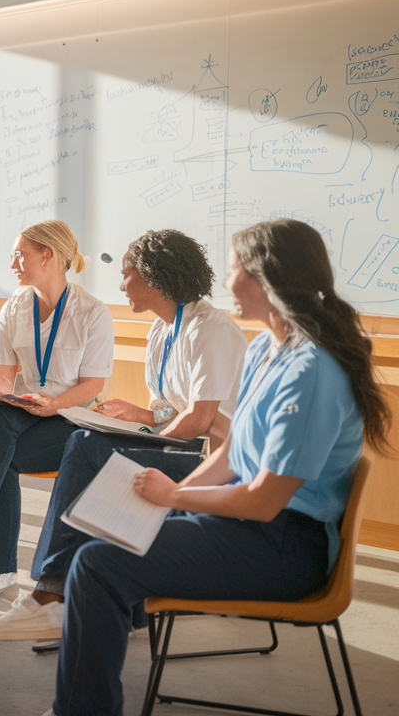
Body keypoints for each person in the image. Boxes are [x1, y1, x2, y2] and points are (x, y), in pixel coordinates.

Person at [46, 219, 392, 716]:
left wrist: (174, 499)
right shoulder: (266, 350)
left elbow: (264, 499)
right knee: (104, 539)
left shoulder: (312, 369)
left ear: (267, 278)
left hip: (286, 547)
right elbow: (230, 454)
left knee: (97, 566)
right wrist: (173, 498)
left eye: (235, 270)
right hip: (248, 527)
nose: (227, 283)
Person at [0, 229, 248, 641]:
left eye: (127, 275)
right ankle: (80, 600)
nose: (120, 285)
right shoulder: (161, 331)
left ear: (154, 277)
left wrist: (144, 436)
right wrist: (141, 415)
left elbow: (201, 418)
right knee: (89, 442)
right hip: (185, 444)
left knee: (88, 447)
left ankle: (51, 594)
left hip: (214, 462)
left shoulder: (208, 328)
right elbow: (173, 409)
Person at [0, 219, 113, 601]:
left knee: (1, 457)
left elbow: (94, 386)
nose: (13, 264)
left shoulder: (93, 312)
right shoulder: (13, 308)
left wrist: (55, 405)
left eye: (19, 255)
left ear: (48, 255)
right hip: (23, 413)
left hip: (71, 420)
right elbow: (5, 377)